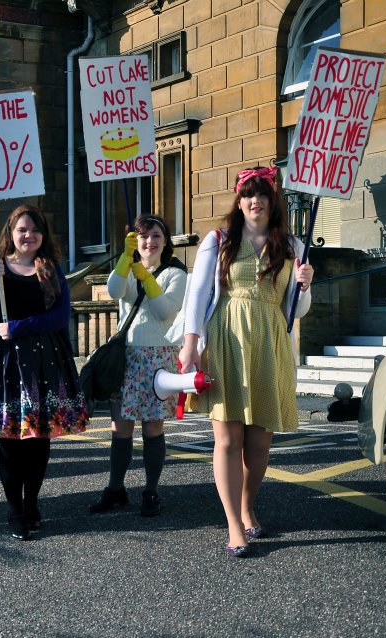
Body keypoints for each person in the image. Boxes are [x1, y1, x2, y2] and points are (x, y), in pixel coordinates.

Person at [178, 166, 314, 558]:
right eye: (248, 195)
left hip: (270, 341)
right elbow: (198, 294)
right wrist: (190, 345)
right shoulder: (219, 239)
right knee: (228, 438)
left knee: (260, 438)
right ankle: (234, 525)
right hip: (225, 340)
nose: (255, 201)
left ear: (273, 202)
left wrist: (305, 283)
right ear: (239, 202)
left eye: (263, 195)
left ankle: (247, 505)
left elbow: (297, 309)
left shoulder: (292, 247)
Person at [0, 204, 88, 540]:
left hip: (43, 363)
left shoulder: (49, 269)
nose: (28, 235)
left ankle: (32, 503)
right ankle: (14, 510)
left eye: (35, 230)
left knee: (38, 439)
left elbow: (61, 316)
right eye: (22, 230)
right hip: (2, 364)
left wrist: (19, 326)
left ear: (42, 235)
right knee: (10, 441)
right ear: (10, 234)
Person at [88, 216, 187, 517]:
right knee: (120, 428)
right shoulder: (128, 268)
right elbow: (115, 291)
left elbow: (165, 311)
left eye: (156, 235)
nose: (149, 242)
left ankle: (151, 491)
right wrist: (124, 260)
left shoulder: (176, 273)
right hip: (127, 358)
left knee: (153, 427)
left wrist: (146, 277)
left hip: (158, 358)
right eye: (142, 236)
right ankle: (115, 489)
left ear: (166, 240)